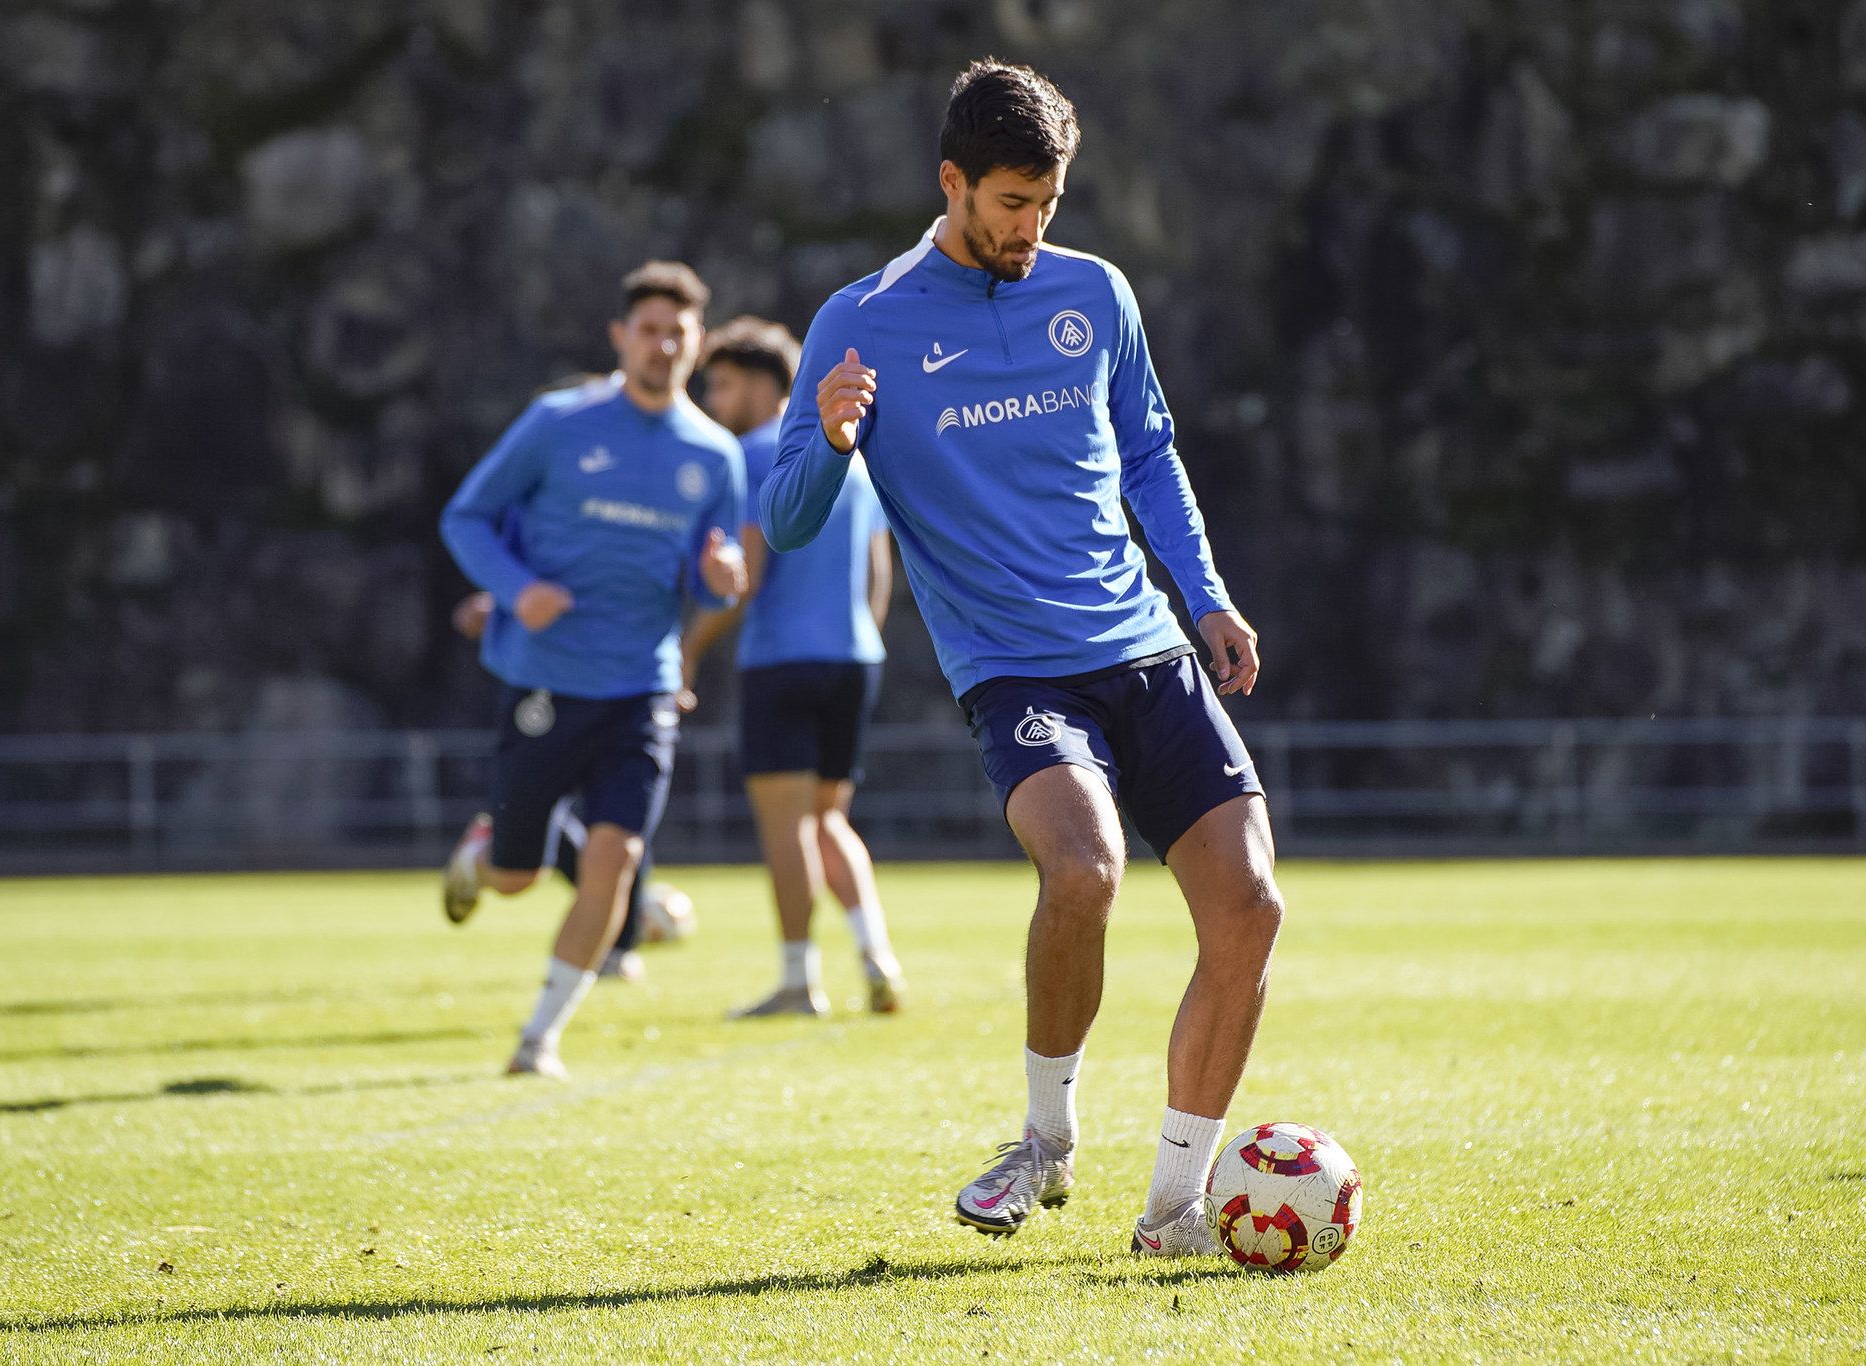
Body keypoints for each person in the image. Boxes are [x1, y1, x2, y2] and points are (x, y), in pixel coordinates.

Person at [761, 61, 1285, 1256]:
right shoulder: (861, 318)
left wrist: (1203, 597)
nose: (1028, 229)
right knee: (1085, 869)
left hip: (1146, 648)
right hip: (1014, 669)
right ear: (950, 182)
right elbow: (786, 519)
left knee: (1249, 907)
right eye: (1007, 203)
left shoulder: (1094, 295)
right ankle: (1044, 1144)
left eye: (1046, 204)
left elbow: (1149, 453)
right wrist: (834, 439)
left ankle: (1174, 1206)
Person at [440, 261, 746, 1079]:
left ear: (700, 346)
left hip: (642, 688)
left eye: (678, 333)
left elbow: (706, 569)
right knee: (516, 877)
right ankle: (483, 854)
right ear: (621, 337)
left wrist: (718, 582)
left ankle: (539, 1038)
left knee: (613, 863)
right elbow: (464, 515)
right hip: (547, 677)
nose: (663, 345)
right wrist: (516, 589)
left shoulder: (714, 457)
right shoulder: (556, 422)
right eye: (648, 330)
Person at [677, 317, 906, 1018]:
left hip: (782, 659)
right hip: (853, 659)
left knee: (787, 826)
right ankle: (877, 957)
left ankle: (796, 981)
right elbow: (878, 570)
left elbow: (744, 571)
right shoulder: (852, 455)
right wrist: (861, 637)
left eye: (719, 384)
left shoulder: (749, 454)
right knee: (830, 818)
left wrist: (686, 652)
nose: (713, 401)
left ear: (756, 383)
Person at [450, 588, 697, 964]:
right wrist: (505, 595)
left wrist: (669, 669)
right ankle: (482, 857)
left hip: (632, 689)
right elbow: (528, 550)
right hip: (549, 685)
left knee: (623, 827)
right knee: (519, 873)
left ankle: (617, 948)